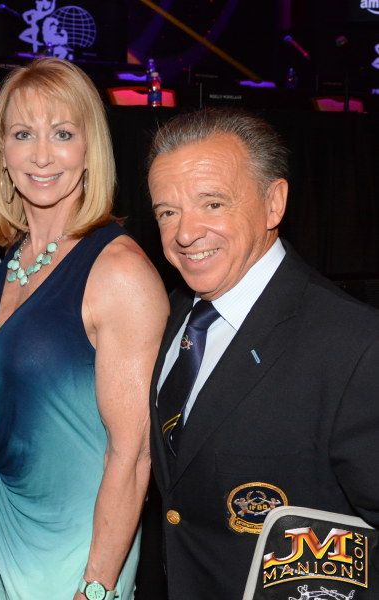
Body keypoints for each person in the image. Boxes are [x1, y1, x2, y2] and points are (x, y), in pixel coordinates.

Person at [0, 58, 168, 600]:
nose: (41, 155)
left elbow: (133, 455)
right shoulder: (11, 261)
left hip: (72, 570)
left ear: (91, 150)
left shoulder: (119, 272)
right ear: (2, 153)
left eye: (63, 134)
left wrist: (97, 587)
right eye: (23, 134)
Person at [146, 108, 379, 599]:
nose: (185, 233)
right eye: (167, 212)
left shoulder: (356, 347)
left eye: (212, 203)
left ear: (274, 203)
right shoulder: (173, 313)